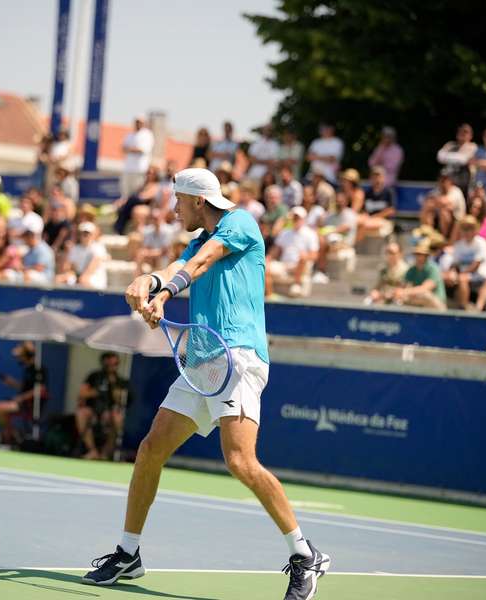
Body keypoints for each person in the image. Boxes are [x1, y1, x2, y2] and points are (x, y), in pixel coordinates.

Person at [84, 168, 331, 599]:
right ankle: (128, 552)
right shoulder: (199, 238)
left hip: (237, 356)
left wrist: (161, 283)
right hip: (201, 362)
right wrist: (154, 291)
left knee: (240, 461)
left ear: (200, 200)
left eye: (178, 201)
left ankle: (305, 554)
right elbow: (182, 265)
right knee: (150, 450)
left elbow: (199, 265)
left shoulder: (239, 224)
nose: (174, 209)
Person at [0, 341, 48, 447]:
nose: (19, 359)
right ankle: (13, 436)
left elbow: (40, 389)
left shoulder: (38, 370)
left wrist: (21, 398)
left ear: (27, 356)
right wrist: (12, 383)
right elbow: (25, 388)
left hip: (29, 406)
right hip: (20, 403)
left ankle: (13, 436)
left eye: (21, 356)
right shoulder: (27, 369)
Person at [75, 351, 133, 461]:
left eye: (114, 364)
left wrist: (116, 393)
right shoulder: (94, 376)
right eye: (108, 364)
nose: (111, 367)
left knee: (116, 418)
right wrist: (96, 392)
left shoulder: (121, 381)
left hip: (109, 411)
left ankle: (105, 453)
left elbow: (125, 402)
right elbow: (82, 393)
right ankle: (92, 451)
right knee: (81, 413)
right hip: (93, 409)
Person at [267, 206, 320, 297]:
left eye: (297, 217)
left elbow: (314, 255)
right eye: (294, 217)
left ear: (303, 219)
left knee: (302, 259)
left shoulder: (310, 234)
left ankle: (297, 284)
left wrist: (306, 256)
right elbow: (276, 250)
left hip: (301, 265)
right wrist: (268, 258)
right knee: (265, 265)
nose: (295, 220)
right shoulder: (284, 233)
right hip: (285, 265)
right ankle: (269, 295)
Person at [444, 215, 486, 310]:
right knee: (446, 277)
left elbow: (476, 265)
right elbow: (455, 263)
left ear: (475, 229)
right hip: (465, 277)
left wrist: (458, 275)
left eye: (470, 228)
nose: (466, 231)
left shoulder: (481, 243)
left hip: (480, 277)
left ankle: (464, 309)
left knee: (462, 279)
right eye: (464, 228)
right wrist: (451, 273)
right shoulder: (458, 245)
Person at [393, 241, 446, 310]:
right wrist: (397, 292)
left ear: (426, 255)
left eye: (421, 254)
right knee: (400, 298)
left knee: (424, 295)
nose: (418, 256)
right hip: (421, 305)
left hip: (438, 306)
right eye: (417, 254)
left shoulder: (433, 269)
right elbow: (403, 286)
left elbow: (424, 289)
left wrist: (404, 292)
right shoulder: (412, 269)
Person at [121, 115, 155, 200]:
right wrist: (133, 149)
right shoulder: (130, 135)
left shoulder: (147, 135)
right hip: (128, 169)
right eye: (136, 122)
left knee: (136, 194)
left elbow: (142, 149)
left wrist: (130, 149)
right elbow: (123, 148)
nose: (138, 124)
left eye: (140, 122)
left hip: (140, 170)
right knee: (125, 194)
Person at [436, 123, 477, 195]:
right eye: (460, 131)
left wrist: (448, 156)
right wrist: (460, 158)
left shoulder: (473, 147)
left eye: (465, 131)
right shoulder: (450, 144)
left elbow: (466, 160)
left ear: (471, 135)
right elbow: (440, 157)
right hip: (446, 181)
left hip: (463, 183)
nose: (462, 133)